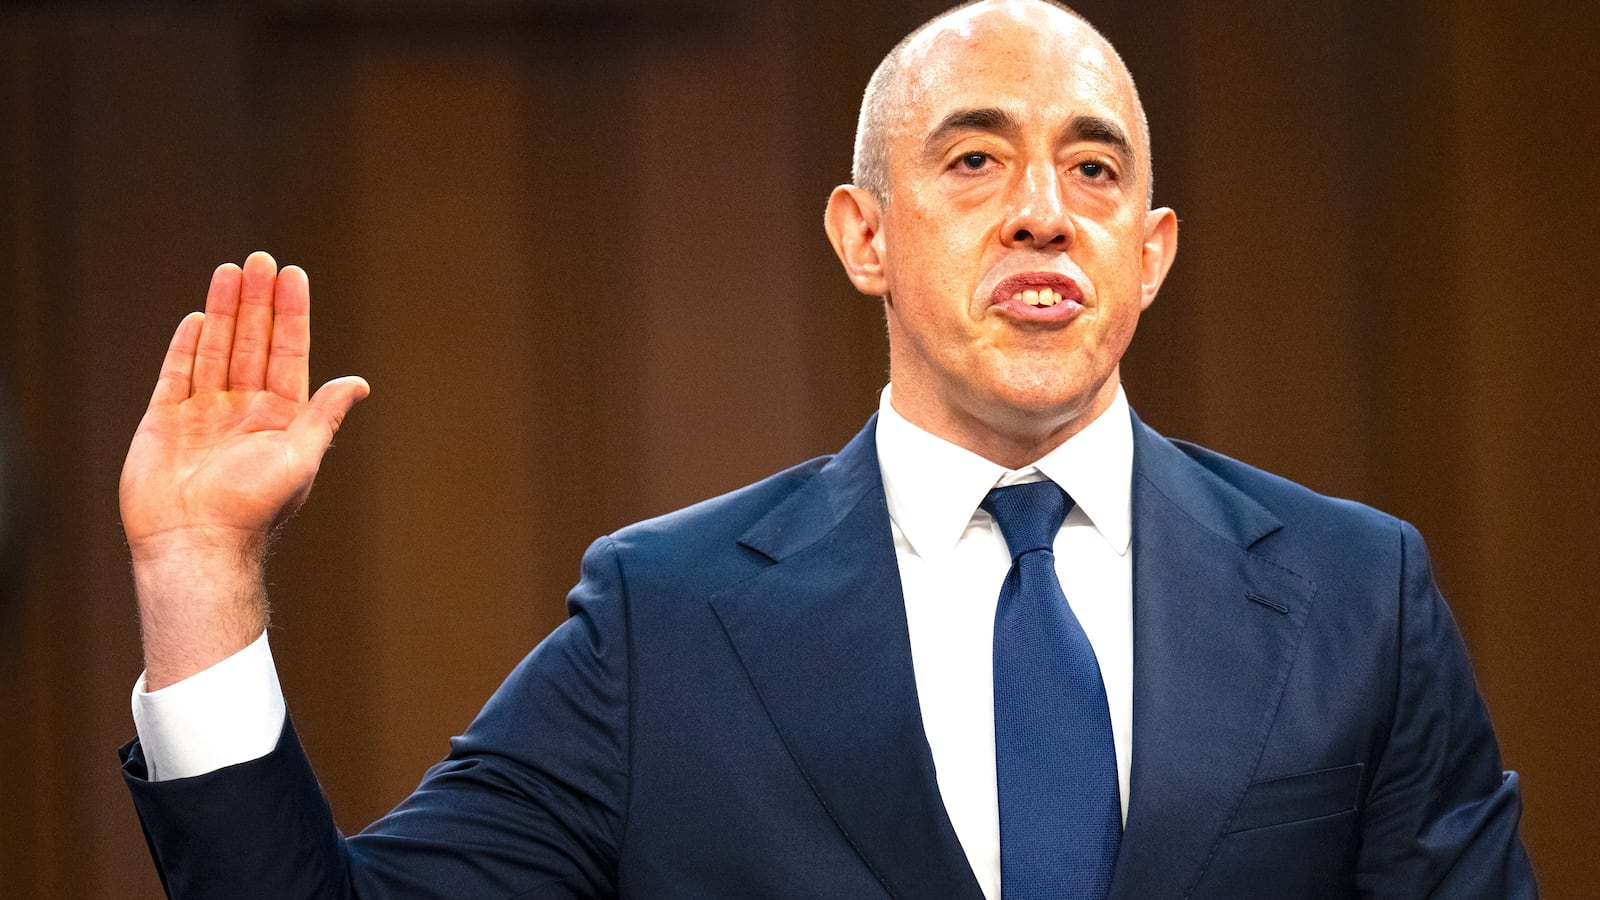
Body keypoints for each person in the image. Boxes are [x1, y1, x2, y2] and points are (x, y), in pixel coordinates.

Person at [118, 1, 1537, 897]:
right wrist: (198, 583)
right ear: (865, 236)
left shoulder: (1364, 595)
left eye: (1094, 169)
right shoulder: (665, 622)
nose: (1045, 210)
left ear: (1149, 253)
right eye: (974, 159)